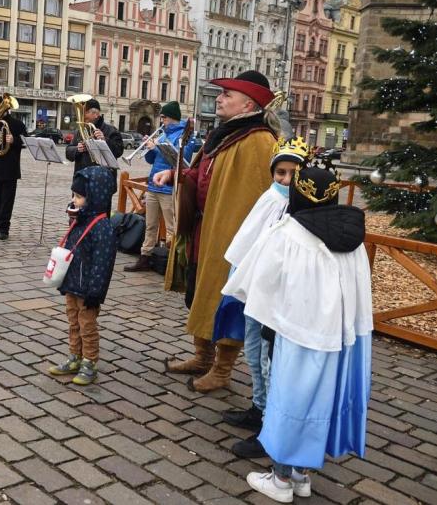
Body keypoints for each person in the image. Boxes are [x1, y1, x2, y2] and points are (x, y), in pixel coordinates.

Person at [222, 167, 372, 503]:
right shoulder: (353, 237)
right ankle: (303, 475)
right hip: (340, 337)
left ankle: (281, 479)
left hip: (297, 333)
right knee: (320, 402)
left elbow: (258, 280)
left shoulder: (290, 233)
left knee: (290, 400)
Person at [157, 70, 280, 393]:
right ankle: (202, 356)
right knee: (200, 287)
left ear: (247, 103)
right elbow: (204, 174)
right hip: (205, 227)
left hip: (231, 235)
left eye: (228, 94)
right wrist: (177, 174)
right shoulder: (225, 133)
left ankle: (222, 370)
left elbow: (254, 197)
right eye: (221, 93)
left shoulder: (258, 140)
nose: (221, 98)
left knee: (226, 296)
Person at [213, 139, 308, 459]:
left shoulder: (302, 208)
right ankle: (259, 406)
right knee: (253, 352)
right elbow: (250, 238)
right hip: (253, 289)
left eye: (292, 174)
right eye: (279, 172)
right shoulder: (270, 197)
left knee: (270, 358)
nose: (284, 180)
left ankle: (270, 425)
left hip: (275, 297)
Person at [47, 166, 118, 386]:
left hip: (88, 290)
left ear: (94, 198)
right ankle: (75, 356)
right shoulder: (79, 220)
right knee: (73, 322)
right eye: (73, 195)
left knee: (87, 326)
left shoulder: (102, 228)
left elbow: (102, 264)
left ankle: (90, 362)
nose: (74, 200)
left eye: (78, 196)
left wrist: (95, 293)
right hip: (72, 285)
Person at [125, 101, 200, 272]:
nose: (162, 121)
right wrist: (149, 149)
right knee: (150, 225)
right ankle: (145, 257)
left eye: (164, 117)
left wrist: (157, 147)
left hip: (168, 187)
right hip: (153, 185)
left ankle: (172, 262)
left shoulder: (184, 135)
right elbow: (152, 160)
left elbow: (182, 160)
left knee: (171, 227)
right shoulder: (162, 134)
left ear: (172, 118)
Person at [0, 99, 27, 240]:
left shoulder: (17, 124)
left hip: (10, 167)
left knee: (7, 200)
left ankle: (4, 228)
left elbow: (26, 141)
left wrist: (14, 140)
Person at [65, 98, 124, 175]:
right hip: (81, 179)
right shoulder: (80, 130)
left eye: (86, 112)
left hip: (102, 180)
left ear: (96, 114)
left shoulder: (111, 130)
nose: (83, 115)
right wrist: (77, 149)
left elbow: (119, 151)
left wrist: (105, 140)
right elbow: (68, 152)